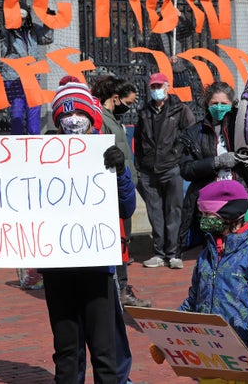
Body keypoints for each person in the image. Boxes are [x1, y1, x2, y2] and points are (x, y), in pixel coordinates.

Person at [43, 81, 136, 384]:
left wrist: (120, 172)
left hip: (96, 267)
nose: (73, 121)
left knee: (104, 351)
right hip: (57, 268)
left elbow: (127, 206)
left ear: (89, 116)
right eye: (65, 115)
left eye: (79, 113)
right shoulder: (40, 153)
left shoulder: (105, 150)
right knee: (66, 352)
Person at [149, 180, 248, 384]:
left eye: (208, 215)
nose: (203, 220)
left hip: (244, 358)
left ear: (229, 214)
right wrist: (165, 338)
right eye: (202, 215)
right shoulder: (205, 256)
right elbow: (193, 301)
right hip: (210, 357)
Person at [178, 81, 248, 257]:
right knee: (217, 249)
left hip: (244, 197)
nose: (219, 107)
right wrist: (215, 162)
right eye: (215, 103)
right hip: (212, 204)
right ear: (207, 103)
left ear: (232, 104)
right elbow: (186, 169)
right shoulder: (194, 133)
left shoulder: (244, 126)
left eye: (224, 104)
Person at [90, 75, 150, 308]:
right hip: (113, 191)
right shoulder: (102, 120)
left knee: (124, 241)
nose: (130, 107)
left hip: (124, 189)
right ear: (115, 98)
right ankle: (120, 289)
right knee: (120, 242)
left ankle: (122, 287)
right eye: (128, 102)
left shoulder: (113, 119)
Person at [135, 72, 195, 269]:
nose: (156, 90)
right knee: (155, 213)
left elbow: (190, 135)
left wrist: (178, 154)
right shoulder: (144, 112)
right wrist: (140, 164)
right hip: (149, 170)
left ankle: (174, 253)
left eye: (159, 86)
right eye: (153, 87)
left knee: (174, 211)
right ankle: (159, 253)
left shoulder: (180, 109)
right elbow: (138, 139)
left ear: (167, 87)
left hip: (172, 168)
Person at [0, 5, 54, 135]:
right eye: (19, 18)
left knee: (34, 108)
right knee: (17, 111)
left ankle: (34, 138)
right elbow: (1, 52)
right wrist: (0, 37)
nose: (21, 21)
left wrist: (49, 21)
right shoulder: (6, 31)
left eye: (23, 18)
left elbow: (47, 38)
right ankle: (17, 140)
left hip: (32, 76)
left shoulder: (32, 30)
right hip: (14, 77)